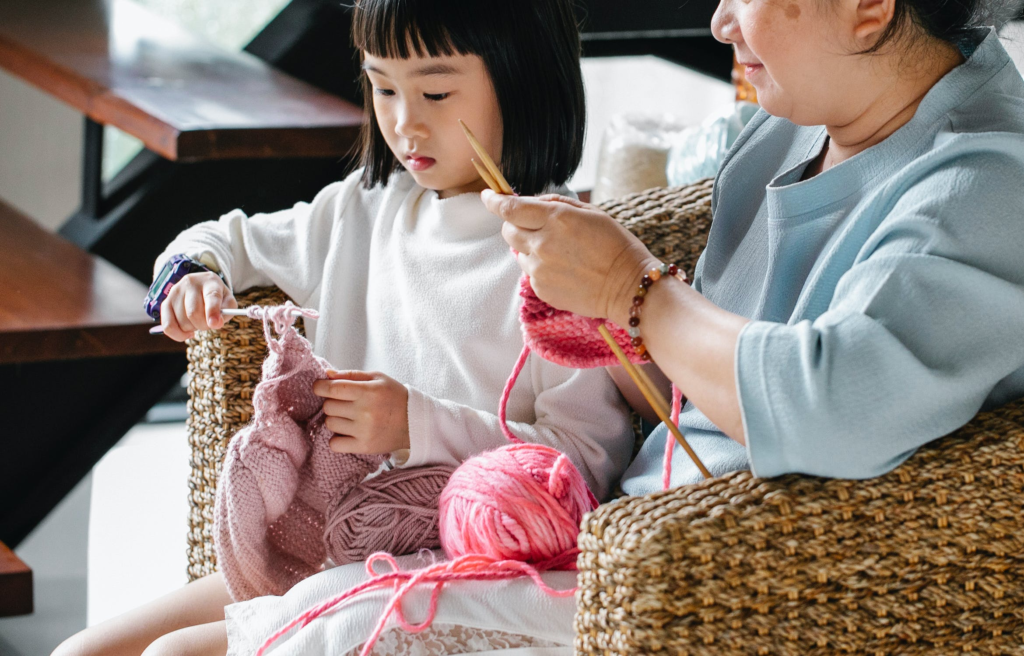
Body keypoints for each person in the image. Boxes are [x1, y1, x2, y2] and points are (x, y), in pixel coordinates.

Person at [53, 1, 633, 655]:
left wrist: (414, 423)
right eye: (382, 86)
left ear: (523, 80)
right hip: (319, 547)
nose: (404, 120)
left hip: (450, 573)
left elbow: (584, 465)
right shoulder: (363, 213)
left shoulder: (562, 254)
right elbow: (223, 238)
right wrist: (190, 277)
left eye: (436, 92)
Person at [486, 0, 1024, 495]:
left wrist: (634, 288)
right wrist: (613, 313)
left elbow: (832, 410)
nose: (720, 24)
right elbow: (691, 399)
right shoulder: (787, 130)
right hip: (622, 531)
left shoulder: (991, 185)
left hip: (737, 570)